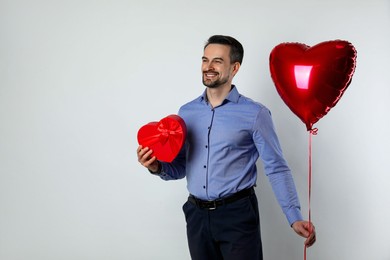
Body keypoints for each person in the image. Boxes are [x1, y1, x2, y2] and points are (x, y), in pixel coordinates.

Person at [137, 35, 316, 260]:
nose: (208, 67)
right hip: (196, 216)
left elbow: (276, 167)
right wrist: (156, 167)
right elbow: (181, 166)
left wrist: (294, 216)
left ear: (235, 67)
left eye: (217, 61)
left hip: (237, 215)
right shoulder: (186, 112)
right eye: (205, 60)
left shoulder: (255, 114)